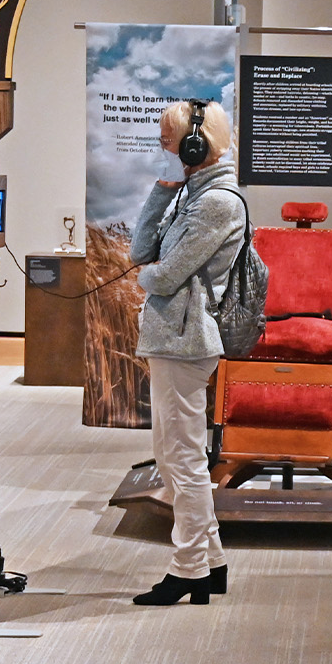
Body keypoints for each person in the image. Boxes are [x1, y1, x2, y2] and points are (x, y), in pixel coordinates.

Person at [127, 99, 246, 607]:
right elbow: (140, 251)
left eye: (168, 136)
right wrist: (163, 188)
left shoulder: (217, 202)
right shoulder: (192, 194)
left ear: (197, 144)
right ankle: (211, 562)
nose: (162, 143)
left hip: (185, 339)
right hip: (173, 337)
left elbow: (164, 274)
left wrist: (147, 278)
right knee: (175, 455)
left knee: (182, 458)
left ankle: (189, 568)